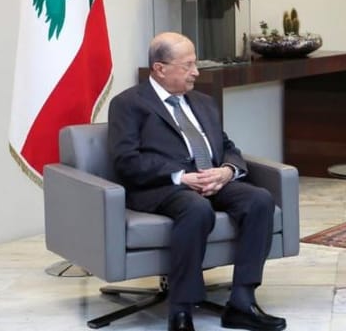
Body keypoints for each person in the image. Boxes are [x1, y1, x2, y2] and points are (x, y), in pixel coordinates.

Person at [108, 32, 286, 331]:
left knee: (259, 199)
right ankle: (181, 310)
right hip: (164, 186)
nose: (196, 72)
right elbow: (126, 160)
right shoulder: (128, 104)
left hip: (212, 179)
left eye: (196, 64)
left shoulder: (203, 102)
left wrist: (227, 171)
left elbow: (227, 146)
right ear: (160, 68)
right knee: (196, 208)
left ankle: (242, 302)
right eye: (188, 65)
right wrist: (180, 176)